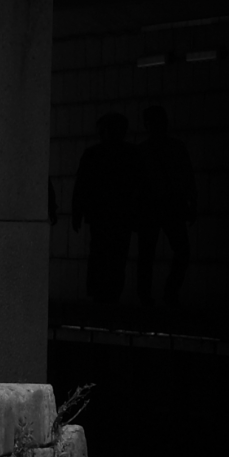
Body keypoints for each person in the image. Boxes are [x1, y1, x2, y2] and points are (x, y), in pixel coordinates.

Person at [71, 111, 138, 313]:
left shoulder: (96, 154)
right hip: (113, 214)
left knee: (105, 254)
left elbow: (81, 186)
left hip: (106, 214)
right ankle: (107, 293)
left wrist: (78, 212)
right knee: (112, 255)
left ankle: (104, 293)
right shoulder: (129, 153)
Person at [135, 102, 195, 310]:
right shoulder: (173, 148)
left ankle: (150, 296)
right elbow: (188, 178)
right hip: (164, 207)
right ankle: (164, 294)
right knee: (166, 252)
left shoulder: (145, 151)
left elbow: (187, 177)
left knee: (149, 254)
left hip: (160, 207)